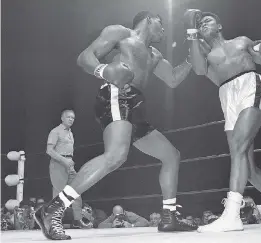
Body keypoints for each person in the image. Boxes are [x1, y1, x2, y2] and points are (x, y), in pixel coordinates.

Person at [34, 11, 197, 240]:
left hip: (137, 105)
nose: (164, 28)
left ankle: (169, 217)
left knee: (171, 155)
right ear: (149, 19)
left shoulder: (155, 55)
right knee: (115, 156)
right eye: (161, 22)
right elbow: (85, 57)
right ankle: (52, 210)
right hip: (116, 94)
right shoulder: (121, 33)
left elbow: (172, 78)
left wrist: (192, 58)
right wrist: (104, 70)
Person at [183, 9, 261, 232]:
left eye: (208, 20)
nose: (203, 23)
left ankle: (232, 214)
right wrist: (191, 30)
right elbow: (198, 69)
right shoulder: (205, 52)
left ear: (220, 25)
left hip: (250, 87)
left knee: (238, 148)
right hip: (227, 96)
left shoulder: (241, 42)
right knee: (248, 168)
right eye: (200, 23)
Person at [46, 109, 86, 229]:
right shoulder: (55, 131)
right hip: (58, 164)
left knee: (76, 190)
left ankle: (77, 220)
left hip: (69, 164)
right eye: (68, 117)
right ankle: (54, 222)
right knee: (59, 194)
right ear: (62, 118)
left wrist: (69, 161)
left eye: (73, 118)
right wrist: (64, 160)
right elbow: (49, 151)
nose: (71, 119)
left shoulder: (70, 132)